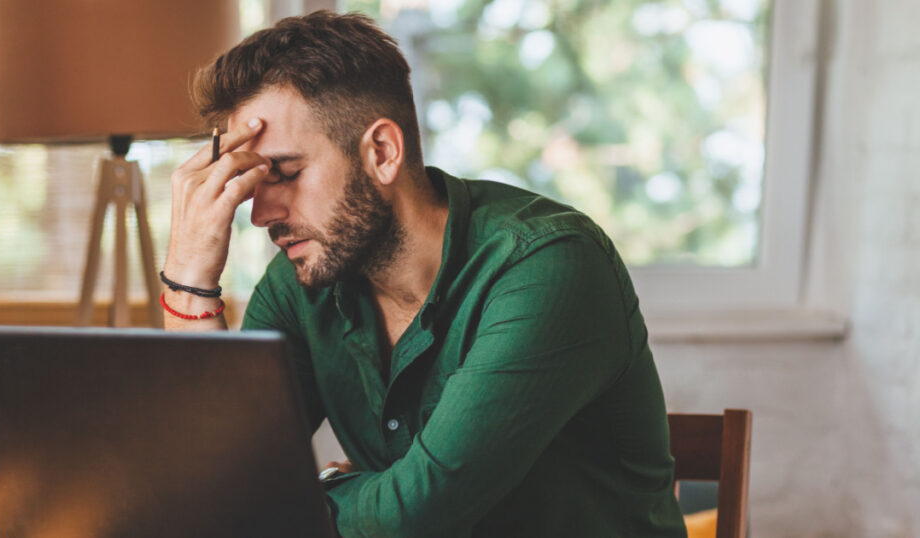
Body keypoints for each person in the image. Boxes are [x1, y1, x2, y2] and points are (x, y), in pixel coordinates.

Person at [162, 10, 686, 538]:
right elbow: (209, 490)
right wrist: (188, 277)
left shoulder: (548, 265)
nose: (261, 213)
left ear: (383, 153)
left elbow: (413, 517)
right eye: (253, 182)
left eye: (286, 173)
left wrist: (303, 489)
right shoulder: (301, 284)